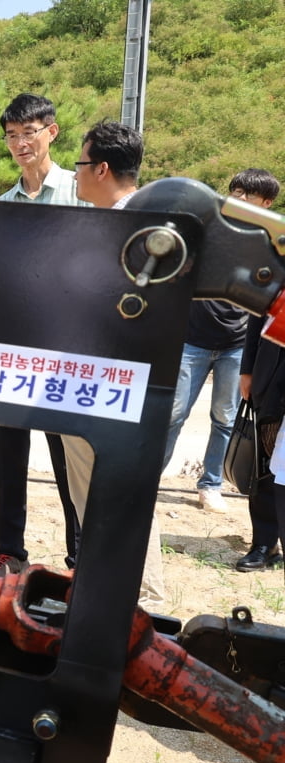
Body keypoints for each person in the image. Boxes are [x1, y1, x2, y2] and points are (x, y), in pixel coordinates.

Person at [63, 120, 165, 607]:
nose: (77, 174)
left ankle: (135, 601)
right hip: (114, 386)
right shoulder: (154, 221)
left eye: (81, 164)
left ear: (101, 168)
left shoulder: (132, 230)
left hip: (108, 388)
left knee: (115, 496)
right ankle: (123, 593)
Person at [0, 93, 86, 572]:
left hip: (67, 354)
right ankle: (9, 551)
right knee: (8, 458)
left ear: (51, 132)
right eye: (12, 135)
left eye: (29, 132)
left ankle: (79, 553)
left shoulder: (80, 191)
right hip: (13, 355)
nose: (20, 143)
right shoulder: (4, 205)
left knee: (70, 459)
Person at [162, 170, 279, 513]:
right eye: (236, 192)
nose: (239, 200)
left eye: (249, 195)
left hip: (236, 345)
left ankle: (210, 484)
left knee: (224, 418)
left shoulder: (270, 247)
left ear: (267, 204)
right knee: (173, 413)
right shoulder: (209, 231)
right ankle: (148, 478)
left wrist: (252, 362)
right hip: (192, 341)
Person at [233, 169, 285, 572]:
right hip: (274, 369)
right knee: (267, 461)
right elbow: (257, 314)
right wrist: (247, 369)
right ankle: (264, 542)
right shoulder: (278, 247)